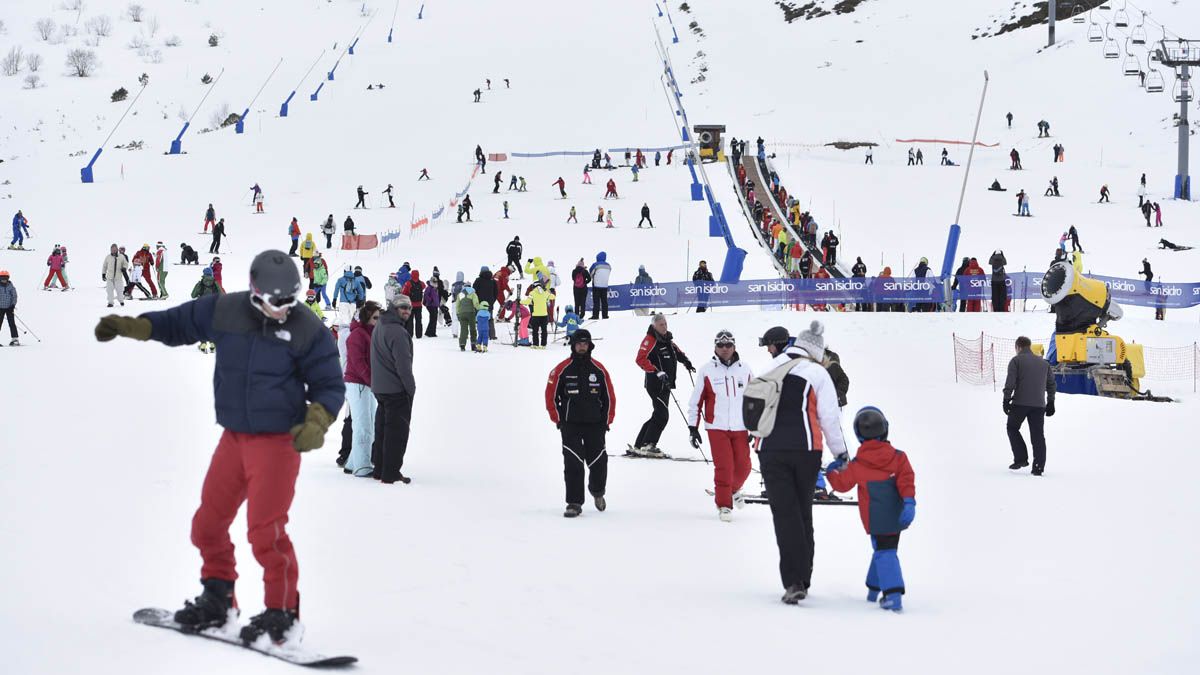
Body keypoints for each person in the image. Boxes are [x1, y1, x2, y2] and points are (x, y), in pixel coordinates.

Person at [94, 250, 343, 643]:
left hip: (277, 443)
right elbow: (179, 322)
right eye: (277, 302)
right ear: (256, 293)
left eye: (291, 300)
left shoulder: (305, 327)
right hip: (233, 438)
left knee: (266, 533)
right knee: (207, 525)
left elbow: (330, 383)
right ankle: (218, 598)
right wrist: (136, 326)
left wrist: (317, 420)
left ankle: (282, 613)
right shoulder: (227, 310)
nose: (285, 309)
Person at [755, 323, 849, 604]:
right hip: (806, 450)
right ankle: (803, 578)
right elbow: (830, 418)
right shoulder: (817, 373)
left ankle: (792, 581)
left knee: (784, 515)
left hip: (769, 449)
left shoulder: (769, 368)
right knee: (802, 511)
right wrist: (841, 454)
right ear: (816, 351)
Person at [825, 407, 917, 612]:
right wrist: (909, 501)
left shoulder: (858, 465)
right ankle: (873, 591)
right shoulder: (899, 457)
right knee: (885, 550)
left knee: (885, 552)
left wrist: (832, 471)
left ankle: (893, 595)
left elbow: (842, 484)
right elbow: (906, 480)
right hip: (897, 516)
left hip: (875, 519)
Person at [545, 329, 616, 518]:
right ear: (573, 345)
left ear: (590, 345)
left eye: (585, 343)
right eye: (579, 343)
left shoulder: (599, 369)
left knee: (598, 462)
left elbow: (609, 397)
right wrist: (558, 419)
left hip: (595, 425)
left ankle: (598, 492)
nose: (582, 346)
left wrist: (607, 420)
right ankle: (574, 503)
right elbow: (550, 396)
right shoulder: (561, 369)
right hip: (570, 425)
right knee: (573, 464)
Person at [686, 330, 753, 521]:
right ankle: (724, 505)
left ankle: (731, 490)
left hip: (740, 426)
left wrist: (755, 427)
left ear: (734, 347)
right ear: (715, 347)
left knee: (744, 466)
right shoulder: (707, 370)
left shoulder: (745, 369)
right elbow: (696, 401)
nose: (725, 349)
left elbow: (755, 399)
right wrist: (693, 427)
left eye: (728, 345)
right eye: (721, 346)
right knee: (724, 466)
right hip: (716, 426)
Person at [631, 313, 695, 457]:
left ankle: (640, 444)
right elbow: (640, 359)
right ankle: (649, 444)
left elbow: (676, 352)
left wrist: (686, 361)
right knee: (662, 415)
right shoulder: (650, 340)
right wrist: (656, 371)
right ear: (654, 326)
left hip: (666, 385)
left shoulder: (667, 340)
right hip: (655, 384)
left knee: (658, 414)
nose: (664, 327)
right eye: (661, 325)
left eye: (665, 324)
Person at [370, 294, 416, 484]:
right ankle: (390, 473)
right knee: (396, 434)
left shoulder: (381, 326)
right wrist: (410, 389)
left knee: (382, 430)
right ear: (393, 309)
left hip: (381, 388)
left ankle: (379, 469)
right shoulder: (397, 332)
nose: (406, 310)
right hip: (396, 390)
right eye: (402, 307)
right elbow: (403, 366)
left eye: (409, 308)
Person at [1003, 336, 1055, 476]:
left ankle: (1021, 458)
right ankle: (1038, 467)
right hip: (1039, 405)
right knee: (1038, 436)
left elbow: (1010, 382)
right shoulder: (1044, 364)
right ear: (1029, 346)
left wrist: (1006, 399)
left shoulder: (1016, 361)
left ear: (1018, 347)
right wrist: (1051, 402)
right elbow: (1051, 384)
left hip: (1020, 403)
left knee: (1012, 428)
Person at [343, 302, 381, 477]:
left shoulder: (369, 333)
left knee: (369, 423)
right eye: (375, 318)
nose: (377, 321)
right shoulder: (357, 335)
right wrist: (372, 381)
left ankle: (353, 462)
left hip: (366, 384)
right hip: (358, 384)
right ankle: (362, 466)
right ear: (366, 317)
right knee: (363, 424)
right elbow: (358, 364)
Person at [472, 266, 498, 339]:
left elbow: (474, 292)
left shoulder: (478, 281)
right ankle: (492, 335)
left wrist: (476, 302)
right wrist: (492, 301)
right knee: (490, 319)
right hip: (489, 304)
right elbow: (496, 293)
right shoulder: (493, 281)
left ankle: (480, 335)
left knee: (479, 319)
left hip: (479, 304)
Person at [401, 270, 425, 339]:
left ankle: (410, 334)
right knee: (419, 320)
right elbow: (424, 286)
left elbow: (403, 293)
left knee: (410, 320)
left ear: (411, 275)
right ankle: (419, 334)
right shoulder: (421, 283)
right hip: (419, 305)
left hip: (410, 305)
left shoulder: (408, 283)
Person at [456, 285, 480, 351]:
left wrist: (458, 314)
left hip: (461, 313)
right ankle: (473, 344)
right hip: (471, 313)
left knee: (463, 330)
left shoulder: (460, 294)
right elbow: (476, 303)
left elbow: (457, 305)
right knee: (472, 329)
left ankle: (462, 345)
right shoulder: (473, 293)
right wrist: (480, 309)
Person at [588, 252, 611, 320]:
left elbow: (591, 273)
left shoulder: (595, 265)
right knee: (604, 301)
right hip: (605, 285)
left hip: (596, 285)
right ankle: (605, 315)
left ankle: (595, 316)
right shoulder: (609, 266)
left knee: (596, 301)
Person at [0, 269, 17, 345]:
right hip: (0, 308)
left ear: (8, 278)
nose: (4, 280)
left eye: (5, 278)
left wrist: (13, 305)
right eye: (2, 278)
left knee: (12, 323)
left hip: (9, 308)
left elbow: (14, 296)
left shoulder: (10, 286)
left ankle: (15, 339)